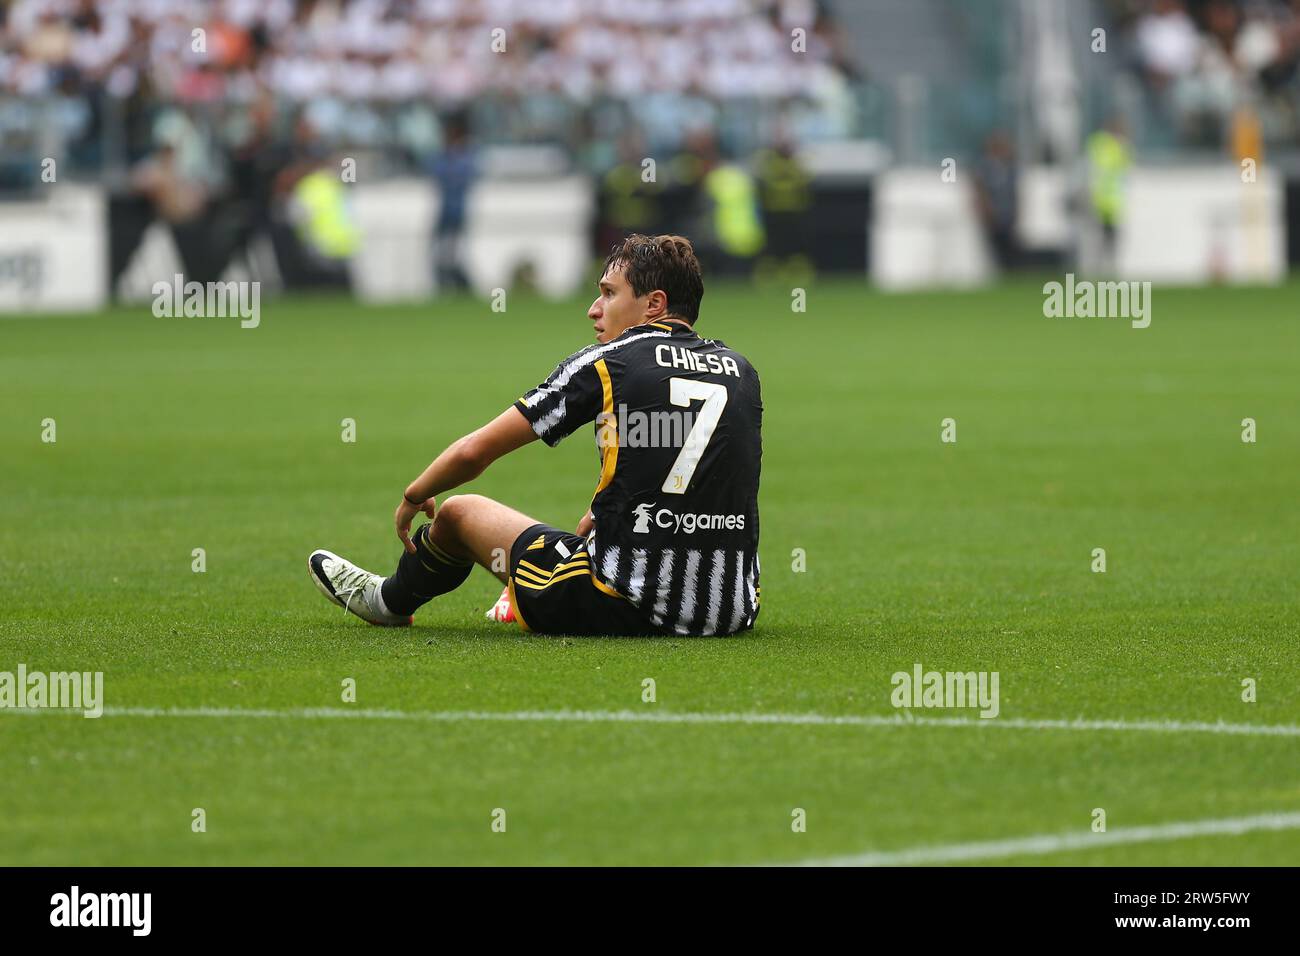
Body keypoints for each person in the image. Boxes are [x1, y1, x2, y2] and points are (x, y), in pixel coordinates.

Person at [308, 234, 763, 637]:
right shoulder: (741, 371)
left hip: (623, 603)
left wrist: (415, 493)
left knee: (458, 512)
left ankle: (388, 602)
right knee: (600, 525)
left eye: (608, 293)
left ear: (655, 304)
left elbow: (474, 452)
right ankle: (525, 588)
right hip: (731, 610)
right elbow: (706, 470)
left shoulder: (609, 361)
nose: (594, 309)